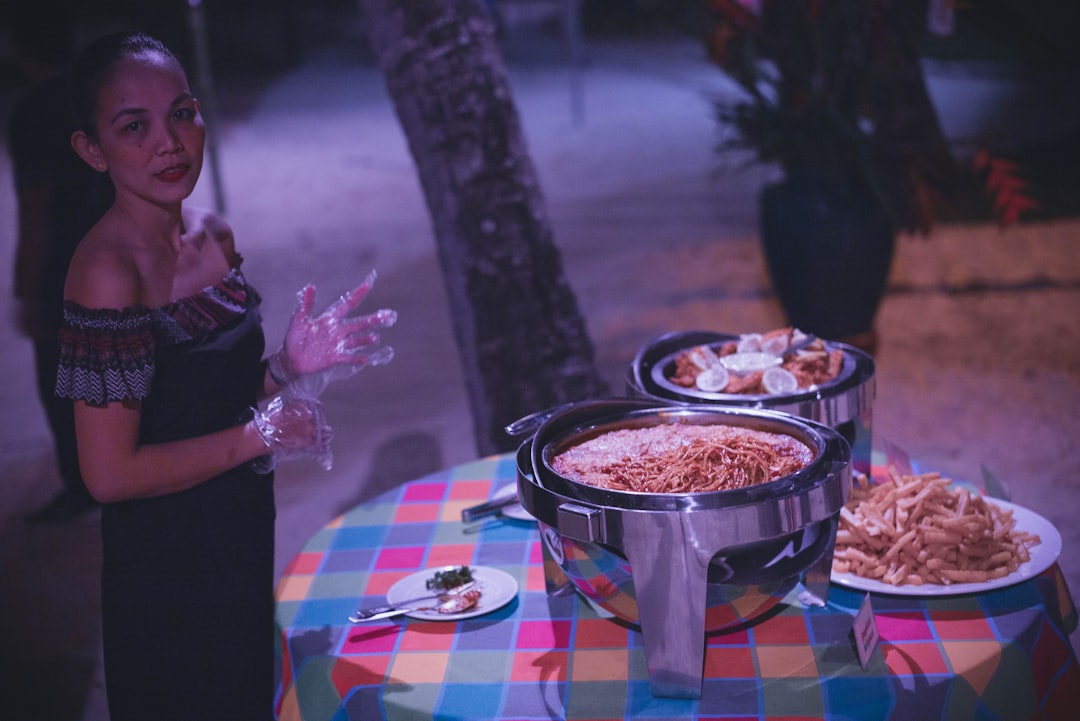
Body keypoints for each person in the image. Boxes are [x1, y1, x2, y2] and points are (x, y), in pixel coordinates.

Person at [56, 31, 396, 720]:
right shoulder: (105, 274)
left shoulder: (214, 236)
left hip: (239, 536)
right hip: (164, 571)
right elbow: (109, 474)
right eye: (133, 126)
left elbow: (209, 403)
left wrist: (287, 369)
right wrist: (258, 436)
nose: (170, 142)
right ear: (92, 150)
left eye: (183, 112)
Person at [8, 9, 113, 522]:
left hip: (62, 271)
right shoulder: (97, 95)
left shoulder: (33, 113)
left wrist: (25, 288)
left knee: (62, 384)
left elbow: (37, 206)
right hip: (116, 253)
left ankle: (85, 482)